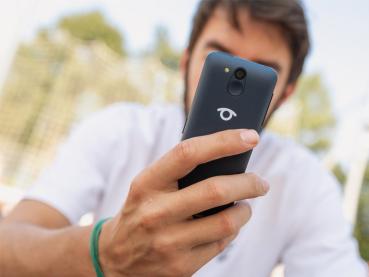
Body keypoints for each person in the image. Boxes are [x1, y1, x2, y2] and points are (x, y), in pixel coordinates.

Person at [0, 0, 367, 276]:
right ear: (187, 60)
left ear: (285, 93)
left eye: (259, 73)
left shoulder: (302, 180)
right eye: (218, 58)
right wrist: (103, 252)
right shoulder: (120, 130)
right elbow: (8, 244)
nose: (230, 87)